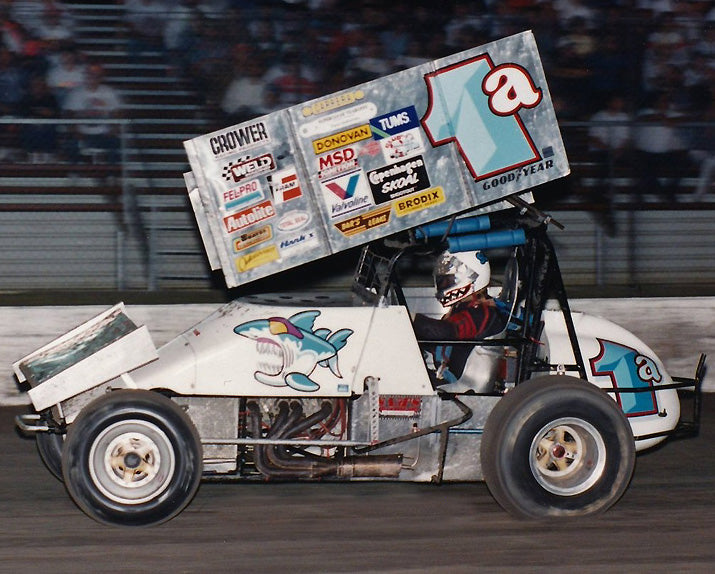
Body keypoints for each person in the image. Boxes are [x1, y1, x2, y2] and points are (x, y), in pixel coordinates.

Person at [413, 250, 507, 387]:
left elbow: (445, 333)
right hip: (450, 383)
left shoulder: (483, 313)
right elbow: (441, 344)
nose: (444, 284)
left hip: (462, 387)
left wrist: (410, 319)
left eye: (448, 280)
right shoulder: (463, 309)